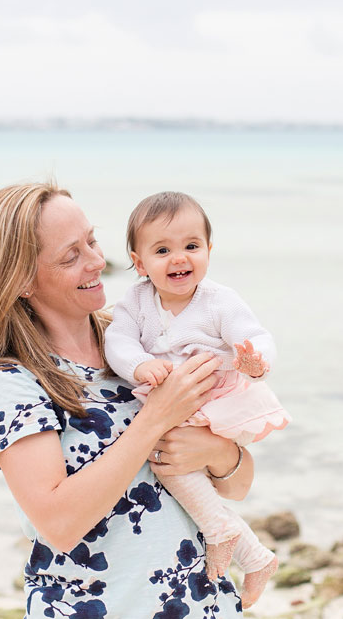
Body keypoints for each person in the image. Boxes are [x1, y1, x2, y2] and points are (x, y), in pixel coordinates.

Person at [0, 181, 250, 618]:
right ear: (22, 280)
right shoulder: (11, 381)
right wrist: (153, 420)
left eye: (92, 241)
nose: (98, 261)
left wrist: (218, 451)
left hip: (204, 606)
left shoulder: (138, 340)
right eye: (71, 255)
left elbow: (239, 484)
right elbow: (59, 524)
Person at [104, 191, 290, 608]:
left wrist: (257, 361)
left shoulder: (218, 300)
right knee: (175, 467)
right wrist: (137, 366)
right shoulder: (134, 302)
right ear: (138, 262)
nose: (179, 258)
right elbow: (117, 340)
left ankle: (227, 537)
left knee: (169, 463)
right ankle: (252, 554)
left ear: (208, 250)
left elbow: (256, 337)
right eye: (162, 250)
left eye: (191, 246)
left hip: (213, 395)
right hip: (173, 399)